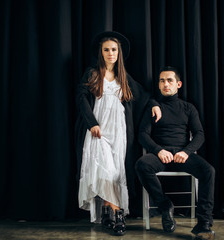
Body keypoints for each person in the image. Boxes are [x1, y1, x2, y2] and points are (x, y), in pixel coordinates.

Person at [75, 31, 161, 236]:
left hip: (120, 133)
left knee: (115, 173)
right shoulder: (92, 73)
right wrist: (92, 123)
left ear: (119, 52)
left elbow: (145, 96)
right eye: (106, 50)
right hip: (99, 131)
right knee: (103, 170)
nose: (110, 53)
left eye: (114, 49)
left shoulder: (124, 77)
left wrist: (155, 105)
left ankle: (108, 213)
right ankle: (117, 214)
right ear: (101, 52)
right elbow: (81, 99)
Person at [135, 66, 215, 240]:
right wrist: (158, 150)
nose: (165, 84)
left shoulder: (188, 108)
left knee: (208, 171)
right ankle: (165, 206)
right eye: (162, 80)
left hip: (182, 155)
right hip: (160, 154)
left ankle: (204, 224)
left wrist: (186, 152)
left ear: (178, 84)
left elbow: (199, 134)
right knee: (142, 165)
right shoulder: (153, 107)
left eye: (169, 80)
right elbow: (142, 134)